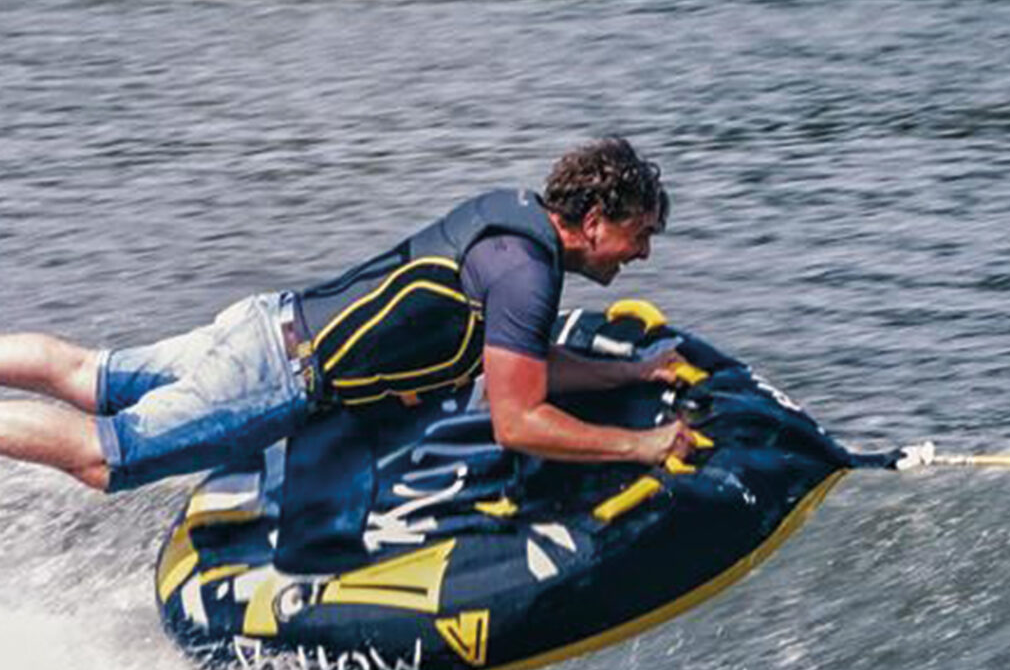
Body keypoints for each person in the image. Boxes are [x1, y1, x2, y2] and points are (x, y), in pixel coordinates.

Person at [0, 137, 692, 493]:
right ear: (596, 222)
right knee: (102, 455)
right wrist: (640, 446)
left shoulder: (511, 225)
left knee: (89, 373)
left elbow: (524, 367)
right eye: (643, 234)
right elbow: (518, 420)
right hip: (276, 376)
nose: (645, 254)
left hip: (268, 325)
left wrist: (628, 374)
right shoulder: (524, 271)